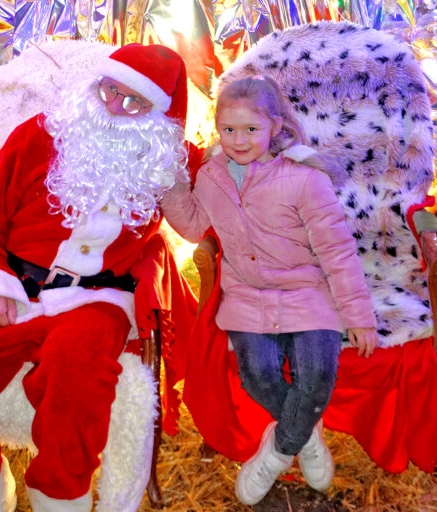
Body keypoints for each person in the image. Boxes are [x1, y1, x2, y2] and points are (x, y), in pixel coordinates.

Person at [0, 43, 195, 512]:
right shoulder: (39, 136)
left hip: (96, 301)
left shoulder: (165, 163)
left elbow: (230, 200)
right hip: (9, 279)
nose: (114, 108)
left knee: (79, 376)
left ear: (160, 116)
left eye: (135, 102)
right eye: (109, 90)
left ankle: (59, 495)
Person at [160, 76, 379, 505]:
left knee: (317, 373)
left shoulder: (304, 178)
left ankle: (277, 451)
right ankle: (306, 437)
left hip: (307, 293)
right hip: (246, 296)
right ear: (217, 128)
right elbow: (191, 224)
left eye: (252, 130)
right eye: (229, 130)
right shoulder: (212, 177)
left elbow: (337, 250)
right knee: (256, 374)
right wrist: (169, 180)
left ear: (275, 126)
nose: (239, 140)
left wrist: (358, 318)